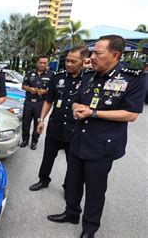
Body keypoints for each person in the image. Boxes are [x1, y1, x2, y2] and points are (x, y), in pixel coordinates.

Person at [47, 35, 146, 238]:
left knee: (95, 190)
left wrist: (93, 113)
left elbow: (131, 114)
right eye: (92, 52)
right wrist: (77, 107)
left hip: (102, 146)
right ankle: (71, 212)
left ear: (115, 55)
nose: (92, 57)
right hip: (78, 139)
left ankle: (90, 228)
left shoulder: (132, 78)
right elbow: (74, 101)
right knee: (73, 182)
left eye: (97, 53)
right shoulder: (89, 75)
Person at [29, 46, 88, 191]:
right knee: (48, 157)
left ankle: (69, 186)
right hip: (55, 126)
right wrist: (41, 120)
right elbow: (48, 101)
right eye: (67, 60)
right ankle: (43, 180)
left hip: (75, 129)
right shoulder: (58, 77)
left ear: (83, 61)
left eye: (73, 61)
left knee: (73, 162)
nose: (68, 64)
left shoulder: (89, 79)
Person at [21, 55, 52, 150]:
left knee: (37, 123)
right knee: (25, 123)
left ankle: (34, 141)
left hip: (40, 103)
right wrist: (29, 89)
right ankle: (25, 140)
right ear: (37, 63)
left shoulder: (51, 75)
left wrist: (45, 91)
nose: (42, 64)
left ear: (47, 63)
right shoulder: (30, 73)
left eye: (44, 63)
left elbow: (53, 89)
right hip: (29, 102)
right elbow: (23, 86)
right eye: (40, 62)